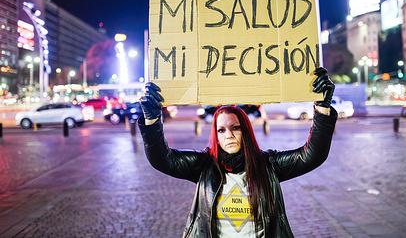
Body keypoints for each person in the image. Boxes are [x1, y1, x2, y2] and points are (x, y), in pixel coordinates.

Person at [138, 67, 337, 237]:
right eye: (221, 130)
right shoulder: (204, 165)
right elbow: (162, 159)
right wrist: (152, 119)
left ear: (247, 132)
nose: (229, 135)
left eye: (236, 127)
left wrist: (322, 109)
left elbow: (312, 155)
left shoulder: (269, 165)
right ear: (215, 135)